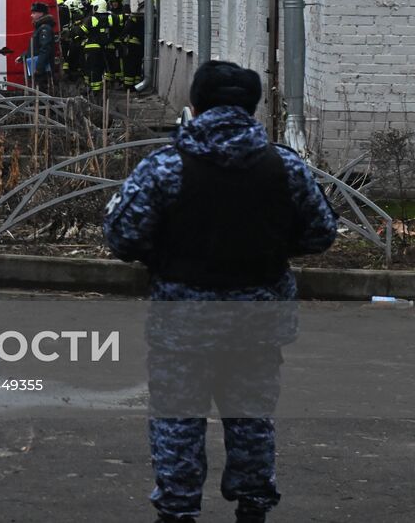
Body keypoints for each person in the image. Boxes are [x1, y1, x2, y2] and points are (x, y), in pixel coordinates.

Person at [104, 61, 337, 523]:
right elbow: (322, 233)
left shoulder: (165, 166)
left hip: (182, 321)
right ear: (253, 108)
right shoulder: (284, 166)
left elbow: (123, 235)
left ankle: (178, 510)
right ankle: (253, 506)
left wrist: (166, 254)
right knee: (251, 419)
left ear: (194, 106)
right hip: (259, 319)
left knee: (177, 419)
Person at [82, 0, 110, 98]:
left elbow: (83, 31)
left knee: (90, 69)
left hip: (91, 48)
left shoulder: (92, 19)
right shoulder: (109, 18)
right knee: (100, 69)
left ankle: (92, 90)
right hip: (103, 48)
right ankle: (98, 91)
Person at [26, 1, 56, 90]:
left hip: (42, 69)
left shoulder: (44, 28)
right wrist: (24, 55)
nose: (31, 15)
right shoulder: (40, 27)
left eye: (34, 13)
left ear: (41, 13)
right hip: (39, 66)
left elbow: (45, 48)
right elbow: (35, 47)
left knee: (42, 92)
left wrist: (39, 68)